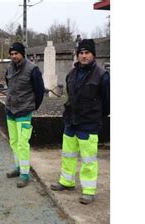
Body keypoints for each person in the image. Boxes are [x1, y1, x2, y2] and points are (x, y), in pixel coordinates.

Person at [50, 39, 110, 204]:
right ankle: (67, 181)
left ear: (93, 55)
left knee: (88, 159)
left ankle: (89, 190)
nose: (83, 56)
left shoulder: (102, 76)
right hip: (71, 122)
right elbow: (70, 96)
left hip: (89, 124)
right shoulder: (72, 74)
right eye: (81, 53)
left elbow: (107, 102)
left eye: (87, 53)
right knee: (68, 155)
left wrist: (96, 117)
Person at [4, 42, 45, 188]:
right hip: (11, 111)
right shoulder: (9, 68)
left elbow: (40, 91)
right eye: (12, 54)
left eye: (16, 53)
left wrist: (32, 107)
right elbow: (9, 85)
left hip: (24, 112)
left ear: (22, 54)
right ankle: (18, 167)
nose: (14, 56)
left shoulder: (32, 69)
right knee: (14, 142)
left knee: (22, 144)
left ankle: (25, 174)